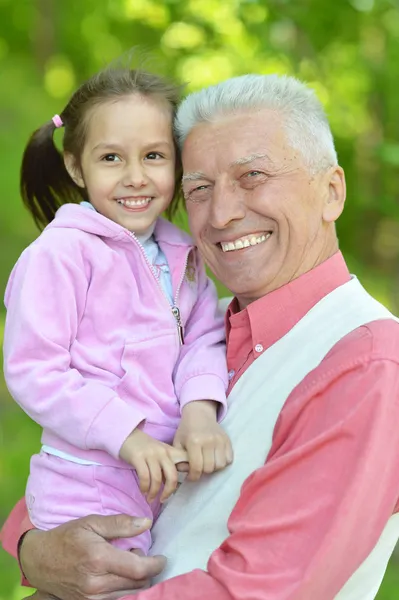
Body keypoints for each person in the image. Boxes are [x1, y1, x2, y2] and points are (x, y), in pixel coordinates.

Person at [2, 73, 399, 600]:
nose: (223, 213)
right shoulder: (198, 324)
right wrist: (34, 544)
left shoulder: (366, 366)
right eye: (200, 188)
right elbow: (84, 461)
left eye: (253, 175)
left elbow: (257, 592)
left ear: (331, 191)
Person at [1, 62, 232, 558]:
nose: (135, 177)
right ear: (75, 166)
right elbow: (35, 370)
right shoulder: (59, 255)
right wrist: (128, 437)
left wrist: (199, 411)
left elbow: (203, 339)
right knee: (109, 583)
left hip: (167, 476)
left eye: (153, 156)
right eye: (111, 157)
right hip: (86, 483)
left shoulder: (183, 255)